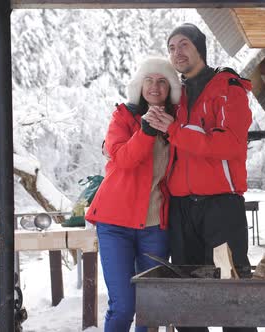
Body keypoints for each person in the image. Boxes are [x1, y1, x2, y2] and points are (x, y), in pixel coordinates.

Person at [149, 23, 256, 332]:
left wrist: (175, 130)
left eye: (183, 45)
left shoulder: (228, 87)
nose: (176, 52)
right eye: (171, 48)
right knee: (187, 298)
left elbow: (229, 145)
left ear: (199, 49)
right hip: (182, 207)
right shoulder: (175, 95)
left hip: (221, 205)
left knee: (232, 292)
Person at [85, 56, 181, 332]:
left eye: (163, 81)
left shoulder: (175, 123)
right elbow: (123, 160)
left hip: (155, 227)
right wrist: (146, 131)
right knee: (124, 305)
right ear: (139, 85)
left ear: (171, 89)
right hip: (115, 225)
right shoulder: (123, 117)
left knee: (149, 305)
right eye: (149, 80)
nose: (155, 86)